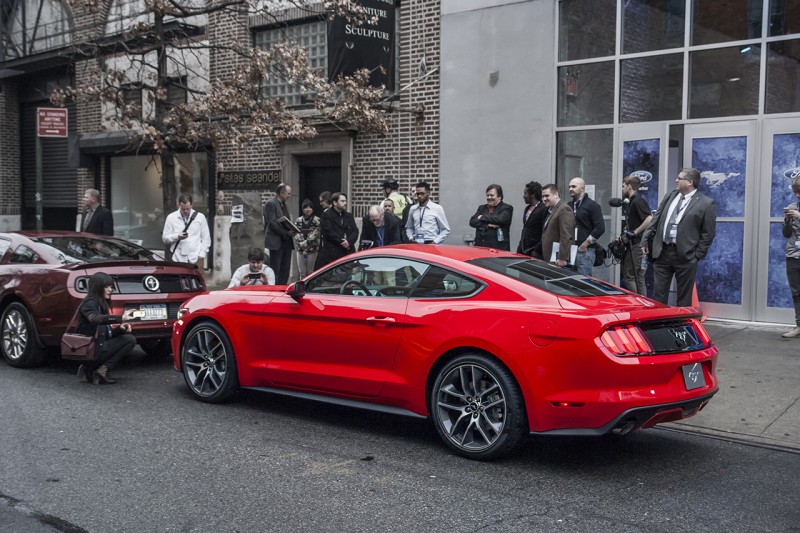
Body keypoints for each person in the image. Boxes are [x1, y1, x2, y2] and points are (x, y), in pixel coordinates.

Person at [641, 167, 717, 307]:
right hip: (662, 252)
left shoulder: (706, 203)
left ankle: (681, 325)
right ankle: (659, 324)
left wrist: (697, 255)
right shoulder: (670, 196)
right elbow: (656, 219)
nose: (676, 180)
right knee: (659, 295)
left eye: (680, 178)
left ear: (690, 182)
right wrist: (645, 240)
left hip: (686, 256)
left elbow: (708, 233)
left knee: (684, 297)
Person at [74, 272, 137, 385]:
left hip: (97, 347)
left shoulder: (100, 304)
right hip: (89, 351)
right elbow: (94, 318)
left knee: (128, 338)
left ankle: (95, 371)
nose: (110, 289)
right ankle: (100, 371)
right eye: (106, 286)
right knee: (129, 340)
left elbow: (105, 334)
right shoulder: (90, 303)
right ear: (97, 287)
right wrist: (121, 318)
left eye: (111, 286)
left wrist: (120, 329)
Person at [620, 175, 653, 296]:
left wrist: (635, 232)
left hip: (637, 246)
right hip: (639, 245)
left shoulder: (638, 201)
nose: (622, 189)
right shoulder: (632, 202)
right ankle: (643, 305)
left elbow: (649, 218)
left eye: (623, 186)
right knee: (639, 278)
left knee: (629, 277)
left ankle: (637, 303)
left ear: (629, 186)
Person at [162, 194, 211, 271]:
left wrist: (201, 255)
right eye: (183, 209)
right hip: (177, 259)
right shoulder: (171, 218)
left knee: (197, 282)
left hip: (196, 258)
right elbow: (165, 238)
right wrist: (177, 236)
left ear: (192, 205)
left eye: (187, 209)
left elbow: (206, 238)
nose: (185, 211)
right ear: (179, 205)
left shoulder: (200, 217)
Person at [568, 177, 605, 276]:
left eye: (573, 186)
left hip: (585, 251)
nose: (570, 189)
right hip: (571, 250)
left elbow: (600, 228)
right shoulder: (569, 205)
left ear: (582, 188)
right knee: (570, 284)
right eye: (569, 187)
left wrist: (585, 244)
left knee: (584, 283)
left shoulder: (592, 205)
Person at [263, 183, 296, 285]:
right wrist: (286, 232)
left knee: (285, 269)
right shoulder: (271, 204)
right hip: (276, 241)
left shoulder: (284, 204)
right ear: (281, 193)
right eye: (288, 193)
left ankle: (283, 287)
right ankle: (275, 290)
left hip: (286, 241)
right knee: (275, 269)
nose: (289, 196)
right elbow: (272, 223)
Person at [315, 192, 359, 269]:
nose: (345, 203)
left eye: (345, 201)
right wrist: (341, 241)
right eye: (342, 201)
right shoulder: (326, 215)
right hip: (332, 255)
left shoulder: (348, 216)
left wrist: (349, 242)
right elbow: (329, 232)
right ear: (335, 202)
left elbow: (355, 231)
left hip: (347, 253)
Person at [781, 177, 800, 338]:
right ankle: (799, 325)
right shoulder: (792, 207)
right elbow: (786, 234)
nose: (798, 195)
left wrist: (799, 216)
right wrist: (787, 221)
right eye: (796, 192)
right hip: (793, 254)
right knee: (796, 293)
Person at [538, 184, 574, 267]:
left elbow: (566, 235)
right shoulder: (551, 210)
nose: (544, 199)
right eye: (543, 196)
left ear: (556, 194)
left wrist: (562, 258)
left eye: (547, 196)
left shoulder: (564, 209)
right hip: (551, 258)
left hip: (558, 260)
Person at [469, 184, 513, 250]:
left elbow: (500, 219)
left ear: (499, 196)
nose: (489, 197)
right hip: (480, 248)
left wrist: (482, 217)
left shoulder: (507, 208)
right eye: (487, 195)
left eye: (492, 195)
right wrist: (487, 225)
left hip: (498, 250)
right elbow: (472, 221)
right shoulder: (482, 208)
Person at [517, 181, 547, 256]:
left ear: (532, 195)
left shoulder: (543, 209)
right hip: (523, 249)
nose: (523, 196)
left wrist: (536, 250)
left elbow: (544, 232)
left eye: (525, 193)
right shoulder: (527, 208)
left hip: (534, 251)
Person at [294, 199, 321, 279]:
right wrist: (301, 242)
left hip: (312, 249)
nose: (308, 209)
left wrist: (307, 242)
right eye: (306, 207)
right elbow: (295, 231)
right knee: (302, 272)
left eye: (310, 207)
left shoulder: (316, 220)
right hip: (300, 248)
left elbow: (316, 232)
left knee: (310, 271)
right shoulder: (298, 220)